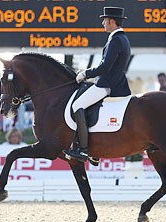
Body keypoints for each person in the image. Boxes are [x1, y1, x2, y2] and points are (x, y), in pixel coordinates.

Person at [63, 7, 131, 162]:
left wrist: (86, 73)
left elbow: (105, 67)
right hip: (116, 82)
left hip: (107, 84)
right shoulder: (123, 38)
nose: (103, 23)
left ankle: (84, 150)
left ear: (112, 21)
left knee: (77, 106)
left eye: (105, 20)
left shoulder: (116, 40)